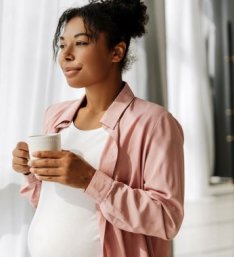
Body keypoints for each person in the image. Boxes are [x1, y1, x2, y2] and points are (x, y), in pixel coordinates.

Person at [11, 0, 185, 256]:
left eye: (80, 43)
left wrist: (90, 180)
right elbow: (47, 201)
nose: (66, 54)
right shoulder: (56, 116)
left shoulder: (154, 123)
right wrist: (29, 170)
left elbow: (166, 218)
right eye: (62, 45)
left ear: (116, 52)